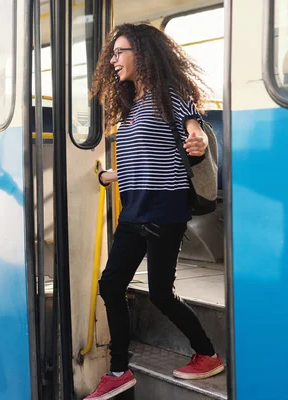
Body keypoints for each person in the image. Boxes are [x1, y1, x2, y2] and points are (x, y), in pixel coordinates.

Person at [84, 23, 224, 399]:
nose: (113, 61)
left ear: (142, 54)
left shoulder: (170, 96)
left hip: (164, 210)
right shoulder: (131, 105)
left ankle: (207, 353)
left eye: (119, 52)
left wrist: (195, 141)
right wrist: (111, 174)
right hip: (133, 210)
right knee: (111, 284)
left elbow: (193, 130)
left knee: (161, 293)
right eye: (111, 55)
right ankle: (118, 370)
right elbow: (142, 154)